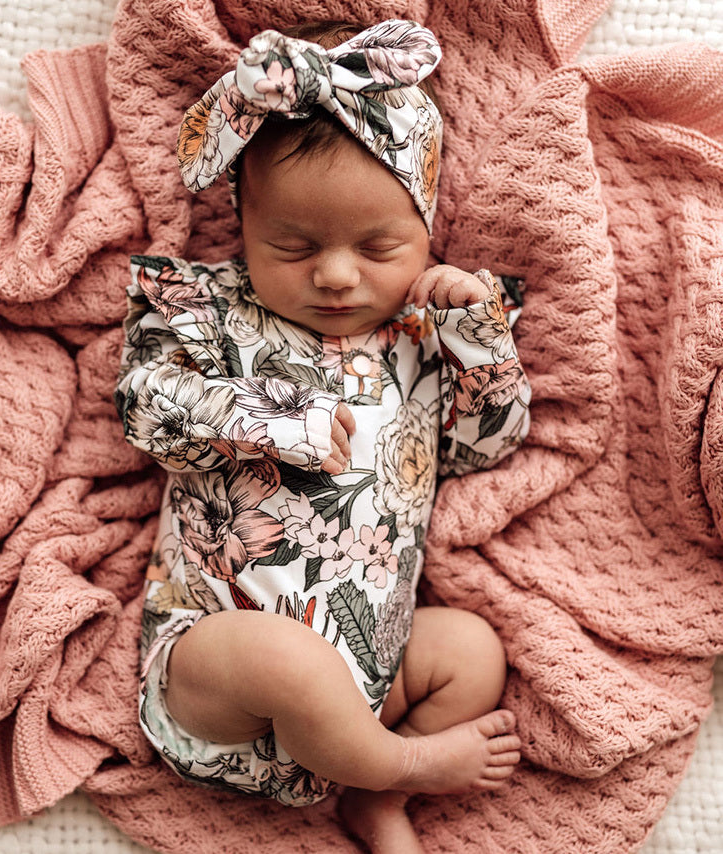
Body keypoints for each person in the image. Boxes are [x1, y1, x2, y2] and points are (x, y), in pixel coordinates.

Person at [114, 18, 531, 854]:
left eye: (379, 246)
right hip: (215, 672)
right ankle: (403, 765)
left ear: (426, 227)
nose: (337, 274)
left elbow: (487, 447)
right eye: (293, 246)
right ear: (242, 227)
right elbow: (144, 408)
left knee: (472, 650)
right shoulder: (212, 314)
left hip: (368, 679)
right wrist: (269, 420)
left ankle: (373, 796)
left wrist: (476, 341)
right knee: (288, 662)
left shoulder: (424, 334)